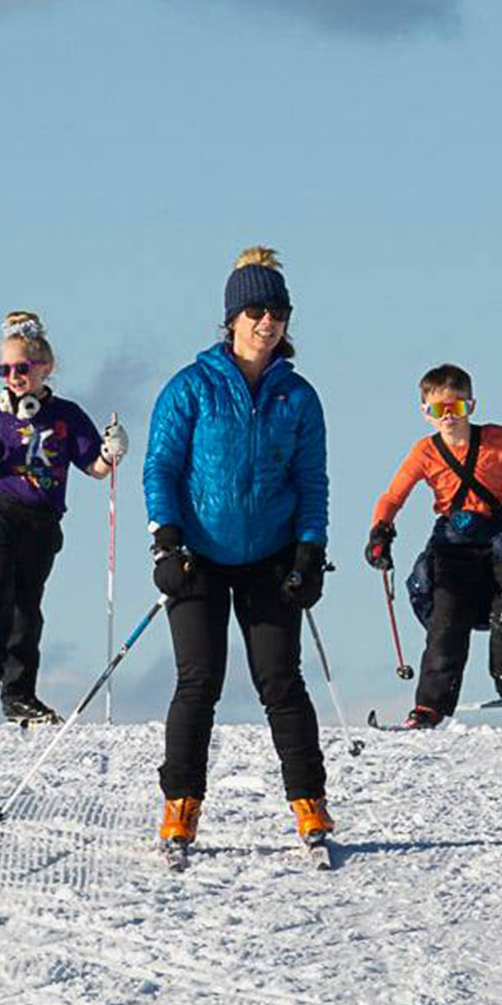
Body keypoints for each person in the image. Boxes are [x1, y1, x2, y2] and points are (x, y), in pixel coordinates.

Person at [144, 248, 333, 853]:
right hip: (198, 554)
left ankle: (310, 804)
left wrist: (310, 551)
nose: (267, 322)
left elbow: (312, 481)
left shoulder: (298, 398)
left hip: (270, 556)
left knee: (280, 680)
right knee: (199, 680)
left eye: (277, 311)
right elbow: (160, 467)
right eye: (255, 310)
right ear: (231, 317)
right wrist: (166, 539)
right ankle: (180, 806)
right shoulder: (191, 388)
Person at [364, 363, 502, 728]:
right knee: (446, 620)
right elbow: (392, 497)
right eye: (439, 410)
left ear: (472, 405)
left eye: (457, 407)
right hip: (454, 544)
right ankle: (430, 706)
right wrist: (379, 533)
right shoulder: (424, 454)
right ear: (425, 413)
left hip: (501, 534)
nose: (449, 417)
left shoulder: (496, 442)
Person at [0, 311, 126, 724]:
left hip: (42, 518)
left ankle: (18, 694)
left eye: (22, 367)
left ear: (45, 367)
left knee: (27, 605)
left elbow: (94, 467)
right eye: (5, 369)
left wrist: (111, 453)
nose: (14, 377)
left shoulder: (66, 416)